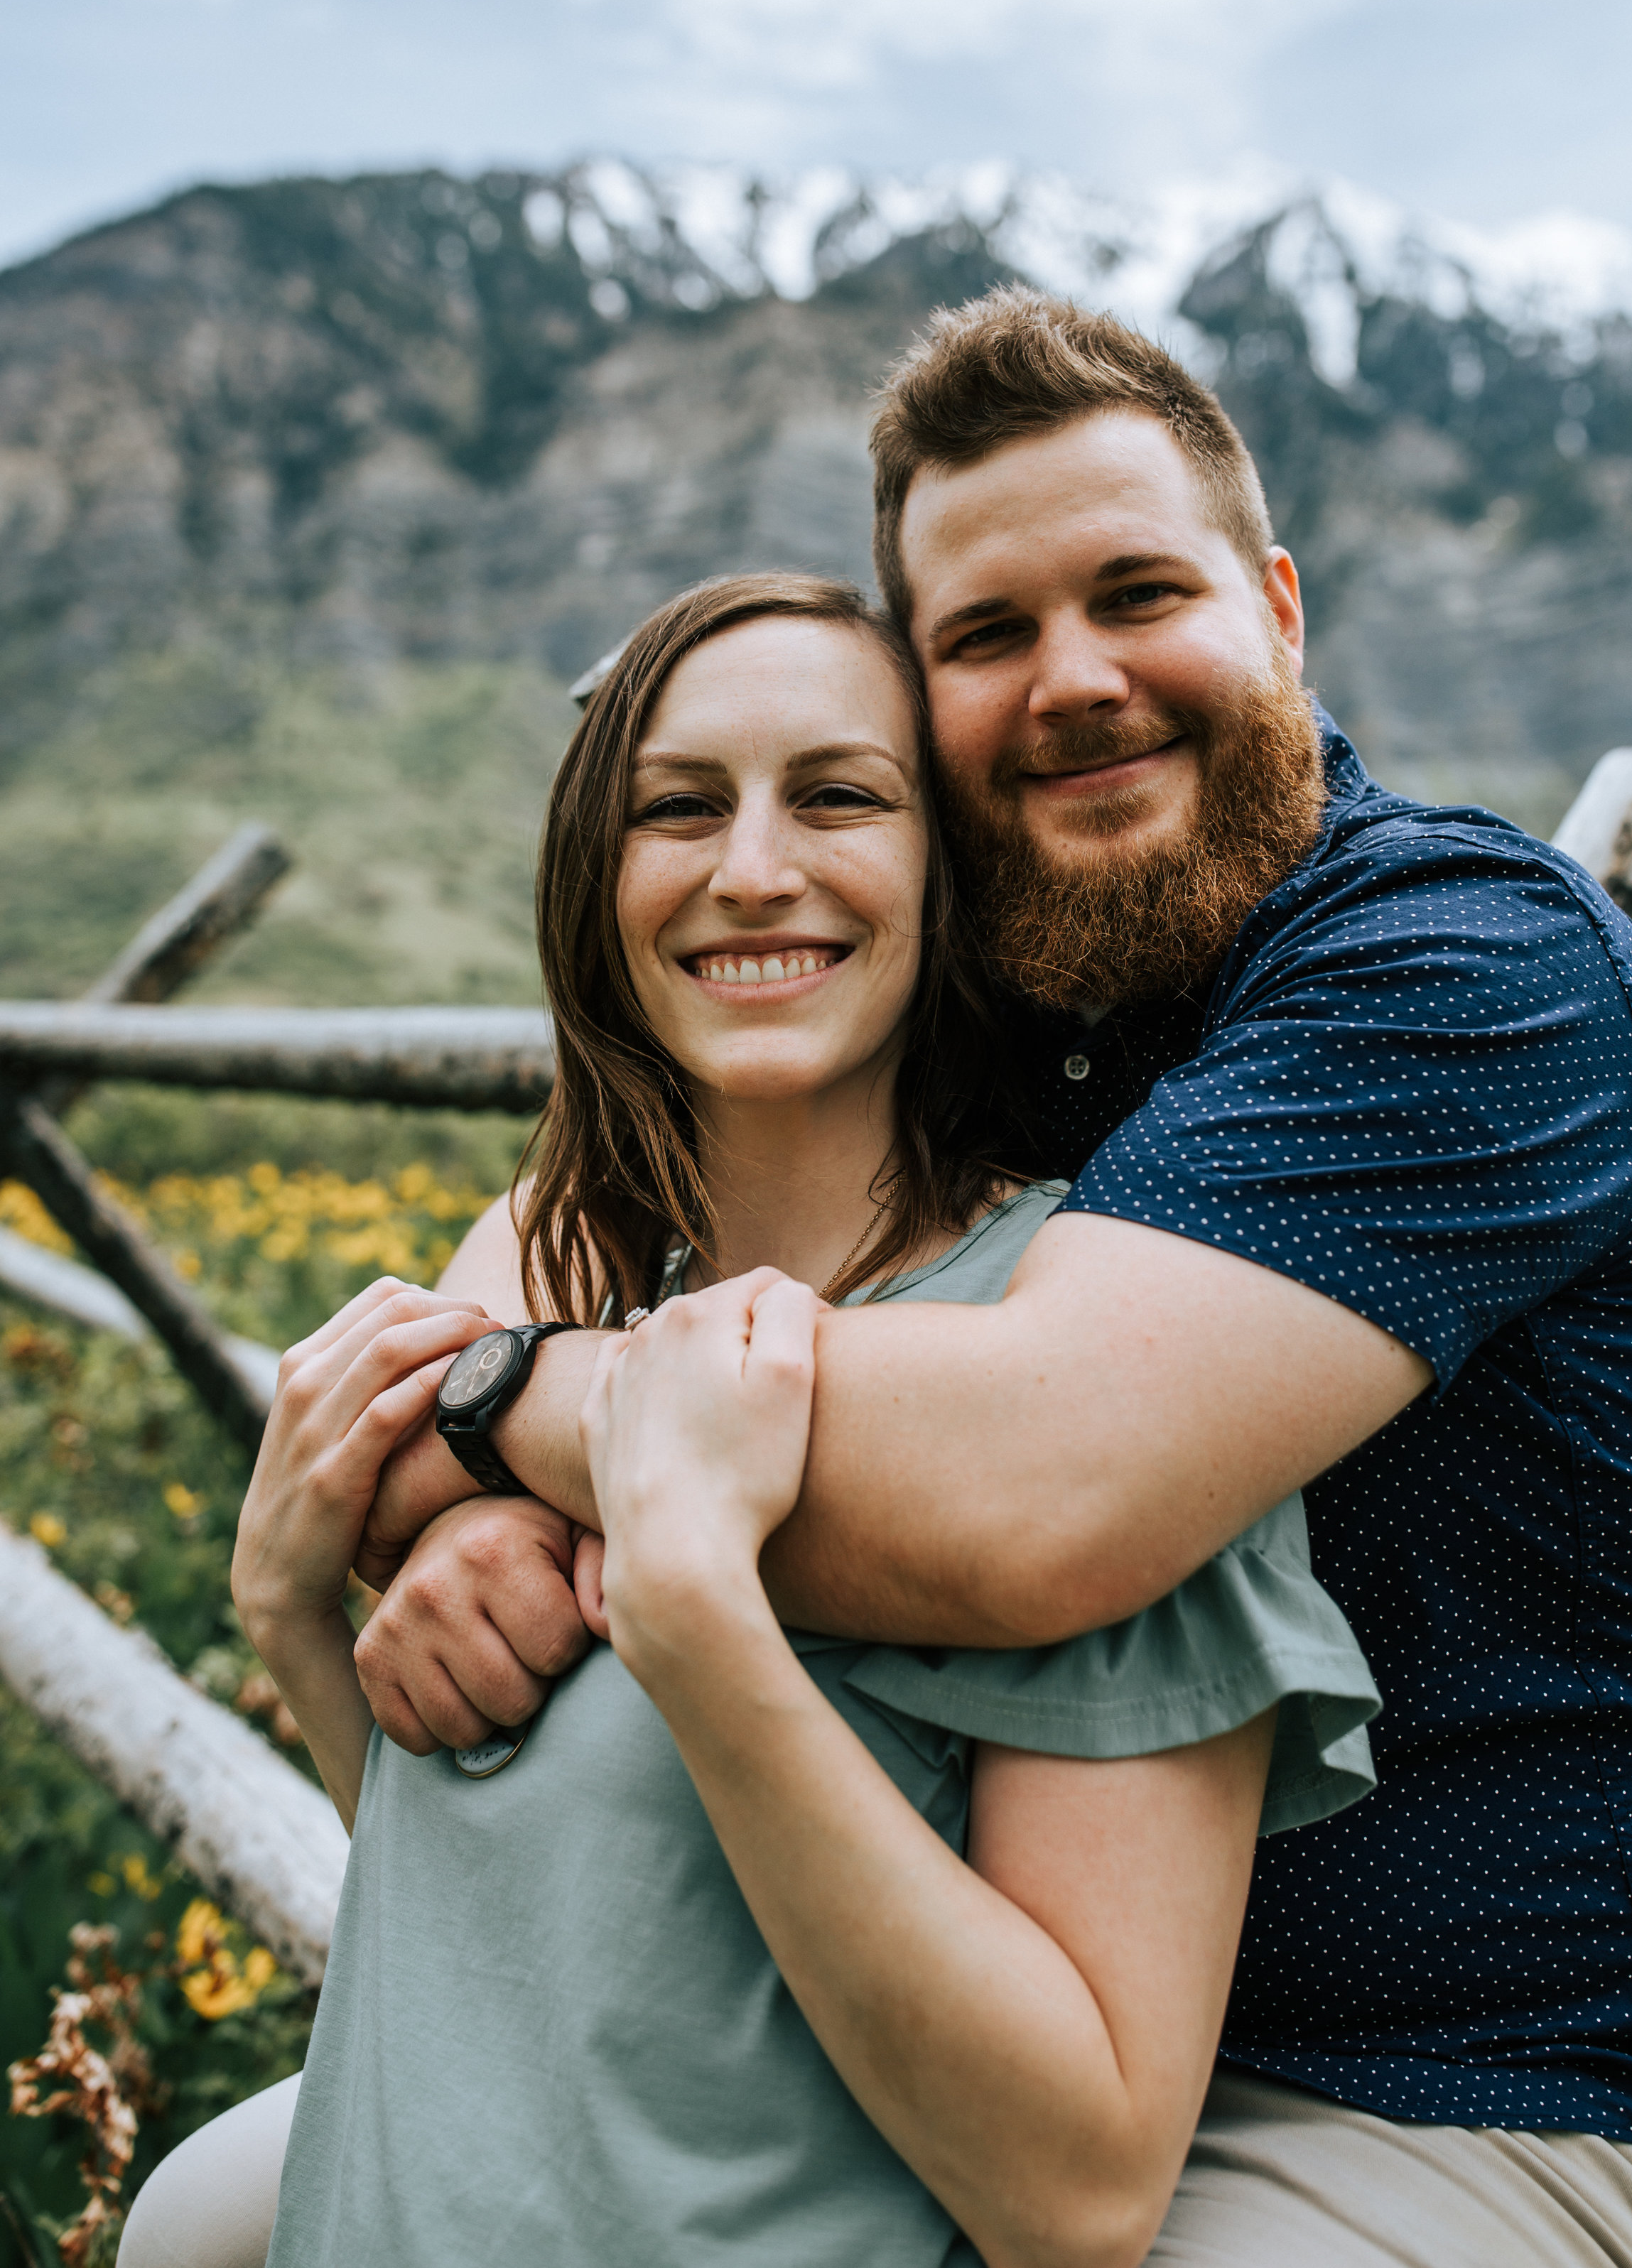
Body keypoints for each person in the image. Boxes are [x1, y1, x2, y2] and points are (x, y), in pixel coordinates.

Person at [356, 290, 1632, 2266]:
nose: (1075, 679)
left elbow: (1040, 1491)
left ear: (1275, 605)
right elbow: (580, 1205)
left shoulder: (1459, 960)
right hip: (1014, 2017)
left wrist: (506, 1413)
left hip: (1507, 2091)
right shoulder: (1011, 969)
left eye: (1137, 594)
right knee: (239, 2215)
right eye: (987, 635)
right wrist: (464, 1464)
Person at [119, 571, 1378, 2268]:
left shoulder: (1080, 1385)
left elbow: (1077, 2192)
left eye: (841, 795)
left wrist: (700, 1611)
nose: (753, 869)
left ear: (953, 871)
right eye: (677, 808)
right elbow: (527, 1953)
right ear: (594, 881)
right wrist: (291, 1621)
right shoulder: (554, 1345)